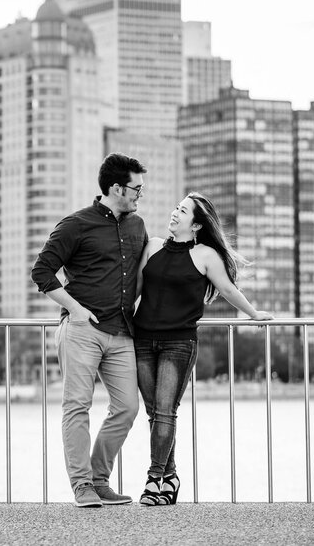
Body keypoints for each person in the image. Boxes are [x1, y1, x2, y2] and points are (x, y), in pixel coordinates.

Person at [133, 191, 273, 506]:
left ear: (196, 225)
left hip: (178, 343)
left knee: (165, 410)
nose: (175, 213)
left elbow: (226, 288)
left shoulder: (206, 255)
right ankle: (171, 477)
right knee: (155, 413)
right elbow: (137, 289)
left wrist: (253, 314)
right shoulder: (153, 246)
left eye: (182, 211)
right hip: (142, 340)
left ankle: (154, 480)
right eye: (176, 207)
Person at [31, 153, 148, 508]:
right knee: (77, 407)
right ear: (116, 188)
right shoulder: (76, 224)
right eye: (136, 188)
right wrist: (76, 309)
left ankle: (99, 479)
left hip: (122, 332)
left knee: (127, 407)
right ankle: (82, 485)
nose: (140, 195)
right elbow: (42, 272)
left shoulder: (137, 225)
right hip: (83, 331)